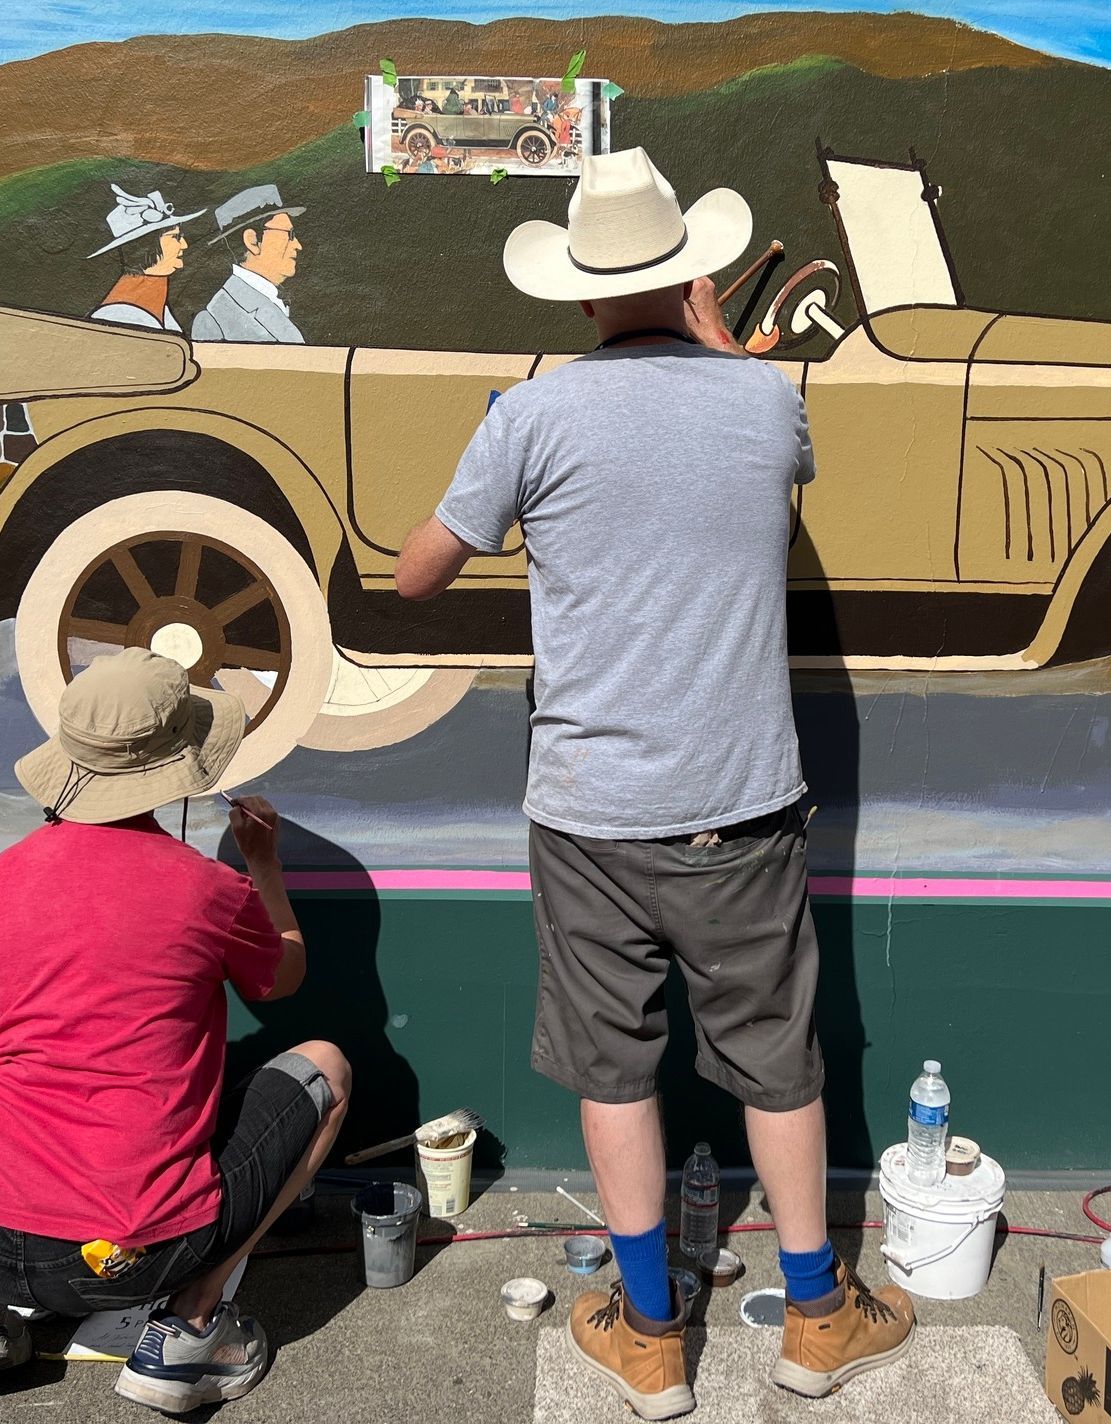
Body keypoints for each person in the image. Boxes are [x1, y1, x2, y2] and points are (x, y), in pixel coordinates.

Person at [393, 147, 914, 1420]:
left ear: (578, 291)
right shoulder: (766, 403)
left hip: (587, 811)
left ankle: (648, 1338)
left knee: (613, 1071)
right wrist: (724, 344)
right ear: (693, 277)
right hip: (743, 803)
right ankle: (816, 1317)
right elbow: (779, 478)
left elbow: (417, 575)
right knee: (778, 1064)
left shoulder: (530, 416)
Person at [0, 647, 350, 1416]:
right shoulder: (207, 887)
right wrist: (264, 867)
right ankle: (190, 1329)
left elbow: (15, 1023)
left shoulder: (3, 874)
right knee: (328, 1066)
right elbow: (282, 977)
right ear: (176, 766)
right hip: (123, 1253)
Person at [191, 185, 306, 343]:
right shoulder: (213, 320)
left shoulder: (270, 300)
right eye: (289, 235)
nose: (298, 245)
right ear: (252, 241)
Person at [87, 185, 204, 332]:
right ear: (146, 246)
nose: (184, 245)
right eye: (175, 237)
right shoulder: (119, 316)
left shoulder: (158, 304)